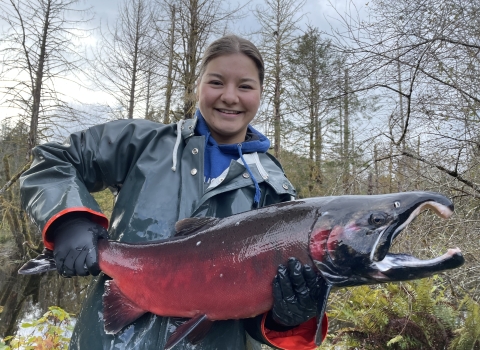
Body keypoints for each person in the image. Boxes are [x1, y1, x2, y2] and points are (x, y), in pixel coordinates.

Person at [20, 35, 328, 350]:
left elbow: (257, 317)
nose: (230, 97)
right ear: (198, 86)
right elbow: (53, 162)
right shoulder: (143, 143)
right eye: (217, 82)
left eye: (245, 86)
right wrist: (69, 219)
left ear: (262, 94)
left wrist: (287, 316)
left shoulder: (275, 190)